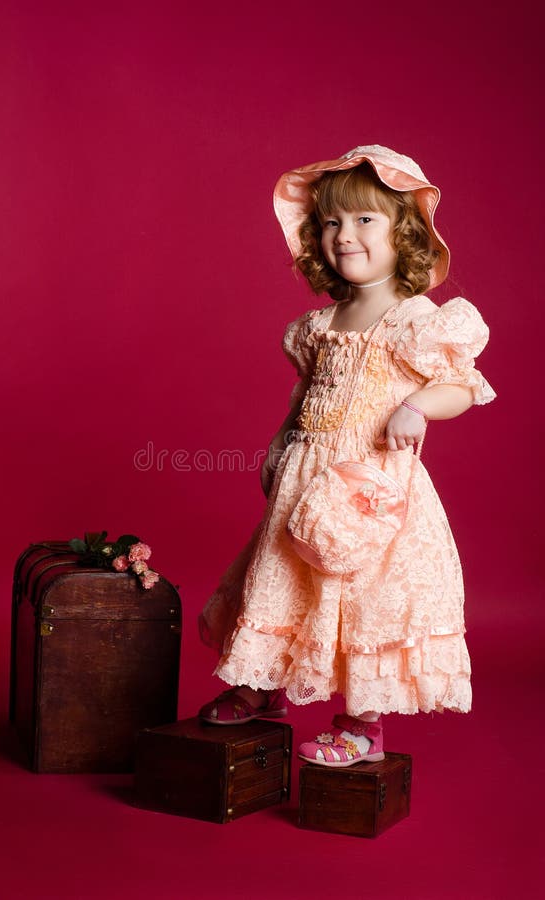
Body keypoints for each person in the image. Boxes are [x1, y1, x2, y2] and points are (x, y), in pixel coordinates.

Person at [198, 145, 495, 767]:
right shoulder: (319, 324)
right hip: (306, 479)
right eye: (332, 222)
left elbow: (462, 384)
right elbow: (308, 393)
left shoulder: (415, 319)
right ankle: (262, 686)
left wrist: (418, 405)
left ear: (403, 234)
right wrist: (282, 441)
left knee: (362, 597)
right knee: (282, 578)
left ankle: (362, 724)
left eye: (365, 221)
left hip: (370, 487)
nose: (345, 235)